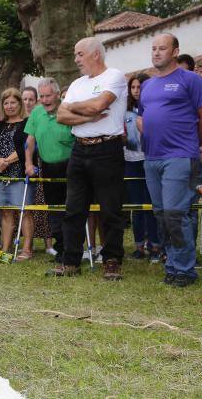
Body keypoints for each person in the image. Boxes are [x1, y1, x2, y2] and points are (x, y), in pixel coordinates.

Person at [139, 33, 202, 287]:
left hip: (181, 157)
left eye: (162, 48)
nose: (156, 52)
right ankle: (172, 264)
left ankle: (184, 269)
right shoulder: (148, 85)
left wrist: (192, 144)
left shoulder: (191, 80)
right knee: (161, 215)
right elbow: (144, 118)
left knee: (175, 214)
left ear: (175, 51)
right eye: (153, 48)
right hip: (152, 158)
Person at [52, 37, 128, 280]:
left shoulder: (114, 76)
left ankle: (112, 260)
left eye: (79, 54)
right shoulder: (76, 83)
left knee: (110, 209)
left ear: (96, 54)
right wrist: (86, 117)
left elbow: (99, 105)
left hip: (107, 149)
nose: (76, 59)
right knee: (73, 209)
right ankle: (70, 261)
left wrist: (76, 107)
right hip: (79, 149)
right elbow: (61, 116)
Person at [24, 78, 73, 261]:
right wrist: (29, 164)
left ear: (57, 95)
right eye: (42, 96)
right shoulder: (37, 113)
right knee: (54, 210)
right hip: (47, 167)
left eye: (48, 96)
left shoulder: (68, 109)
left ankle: (72, 249)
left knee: (71, 209)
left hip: (70, 165)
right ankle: (61, 249)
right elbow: (29, 141)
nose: (45, 100)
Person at [0, 88, 31, 255]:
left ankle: (27, 249)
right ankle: (6, 248)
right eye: (6, 103)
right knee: (5, 212)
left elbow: (25, 148)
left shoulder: (27, 123)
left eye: (13, 102)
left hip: (19, 173)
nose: (9, 106)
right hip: (0, 174)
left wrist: (6, 161)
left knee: (24, 211)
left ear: (19, 104)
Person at [124, 74, 160, 262]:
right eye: (134, 87)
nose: (137, 91)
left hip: (150, 159)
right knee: (137, 207)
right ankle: (139, 245)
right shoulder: (125, 110)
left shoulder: (154, 108)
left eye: (140, 87)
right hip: (130, 161)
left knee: (151, 206)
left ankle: (155, 245)